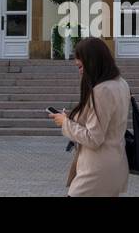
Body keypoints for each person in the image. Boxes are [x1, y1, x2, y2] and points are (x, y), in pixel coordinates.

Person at [48, 36, 131, 197]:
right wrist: (73, 116)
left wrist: (65, 123)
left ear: (93, 62)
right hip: (114, 165)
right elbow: (106, 121)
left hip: (96, 172)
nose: (79, 70)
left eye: (80, 65)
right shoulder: (121, 83)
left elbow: (94, 138)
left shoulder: (102, 91)